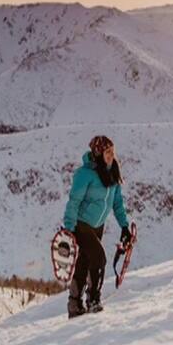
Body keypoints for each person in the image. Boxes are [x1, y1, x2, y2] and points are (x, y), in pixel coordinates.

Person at [62, 135, 134, 318]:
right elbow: (74, 201)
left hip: (97, 226)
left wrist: (124, 227)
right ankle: (93, 300)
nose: (111, 155)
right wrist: (69, 228)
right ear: (97, 152)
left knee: (84, 263)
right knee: (99, 259)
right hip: (81, 224)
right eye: (107, 152)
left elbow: (117, 203)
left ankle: (74, 305)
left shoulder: (112, 173)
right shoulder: (85, 174)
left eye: (112, 152)